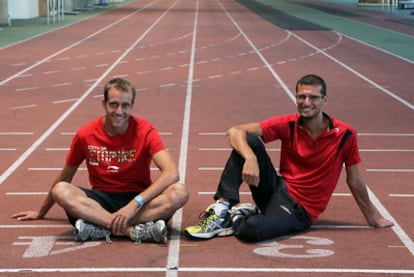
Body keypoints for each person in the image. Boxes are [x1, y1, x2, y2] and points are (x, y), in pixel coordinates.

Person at [185, 74, 393, 242]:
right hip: (276, 189)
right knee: (248, 140)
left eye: (313, 97)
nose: (306, 102)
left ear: (324, 100)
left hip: (300, 209)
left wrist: (373, 218)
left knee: (252, 231)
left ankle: (238, 218)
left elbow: (354, 179)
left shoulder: (345, 134)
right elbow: (235, 131)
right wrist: (250, 158)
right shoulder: (289, 124)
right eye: (301, 97)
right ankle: (222, 208)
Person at [12, 77, 189, 243]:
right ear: (103, 104)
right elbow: (65, 177)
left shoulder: (146, 130)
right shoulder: (85, 134)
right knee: (60, 190)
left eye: (125, 105)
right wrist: (41, 212)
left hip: (138, 200)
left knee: (179, 192)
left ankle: (100, 227)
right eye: (113, 105)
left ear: (131, 106)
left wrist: (135, 204)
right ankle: (132, 231)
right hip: (100, 201)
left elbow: (172, 173)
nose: (119, 111)